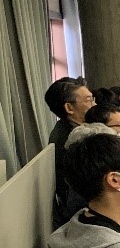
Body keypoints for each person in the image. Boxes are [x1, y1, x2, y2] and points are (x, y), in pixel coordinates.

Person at [45, 77, 96, 225]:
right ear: (69, 108)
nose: (95, 105)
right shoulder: (74, 140)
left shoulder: (70, 129)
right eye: (89, 100)